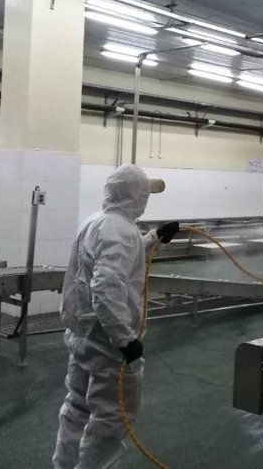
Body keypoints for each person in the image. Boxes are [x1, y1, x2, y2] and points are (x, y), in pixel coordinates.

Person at [53, 165, 180, 469]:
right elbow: (106, 286)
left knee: (77, 407)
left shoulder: (98, 222)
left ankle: (65, 464)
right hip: (106, 344)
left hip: (83, 335)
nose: (146, 198)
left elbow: (121, 257)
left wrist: (155, 237)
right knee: (110, 417)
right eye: (144, 193)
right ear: (135, 195)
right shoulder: (120, 229)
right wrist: (124, 339)